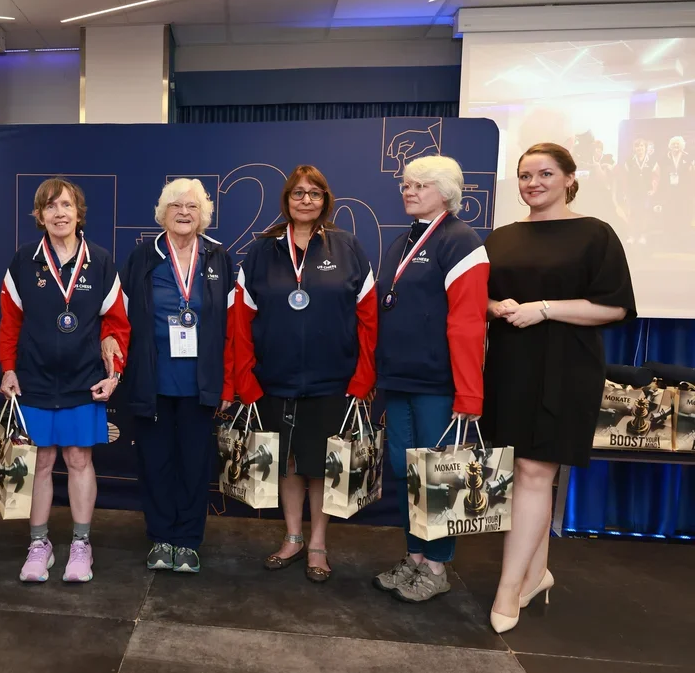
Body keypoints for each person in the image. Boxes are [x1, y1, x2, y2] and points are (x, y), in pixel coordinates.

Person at [482, 143, 636, 633]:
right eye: (526, 175)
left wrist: (544, 308)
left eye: (545, 173)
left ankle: (509, 589)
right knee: (527, 472)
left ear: (569, 178)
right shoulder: (501, 237)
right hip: (510, 363)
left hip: (567, 365)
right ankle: (536, 573)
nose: (534, 183)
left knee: (532, 468)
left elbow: (614, 307)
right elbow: (478, 296)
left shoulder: (595, 234)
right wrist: (495, 307)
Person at [234, 165, 377, 583]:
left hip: (332, 380)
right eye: (298, 193)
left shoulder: (348, 246)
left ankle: (318, 543)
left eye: (314, 193)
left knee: (323, 466)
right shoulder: (262, 250)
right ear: (286, 200)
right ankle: (292, 537)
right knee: (288, 464)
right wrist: (246, 378)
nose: (305, 200)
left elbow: (368, 318)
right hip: (274, 380)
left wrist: (363, 377)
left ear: (325, 200)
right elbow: (241, 320)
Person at [0, 178, 130, 583]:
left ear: (78, 212)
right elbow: (9, 323)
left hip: (84, 379)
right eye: (50, 206)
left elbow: (117, 322)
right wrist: (8, 367)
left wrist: (115, 369)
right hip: (34, 378)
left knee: (78, 459)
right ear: (39, 215)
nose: (59, 212)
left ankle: (80, 545)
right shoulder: (23, 261)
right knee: (41, 462)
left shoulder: (102, 261)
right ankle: (39, 546)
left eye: (66, 205)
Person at [372, 155, 490, 602]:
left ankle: (437, 566)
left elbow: (468, 323)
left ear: (447, 192)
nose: (408, 190)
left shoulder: (461, 242)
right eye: (405, 184)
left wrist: (468, 393)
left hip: (439, 386)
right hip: (399, 381)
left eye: (419, 185)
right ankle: (415, 557)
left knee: (437, 478)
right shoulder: (403, 240)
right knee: (407, 474)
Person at [119, 178, 235, 574]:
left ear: (203, 215)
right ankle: (160, 537)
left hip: (200, 383)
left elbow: (233, 326)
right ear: (162, 213)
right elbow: (121, 319)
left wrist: (229, 382)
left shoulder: (219, 257)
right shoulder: (142, 257)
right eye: (175, 206)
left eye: (192, 207)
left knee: (194, 463)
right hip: (152, 380)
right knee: (155, 462)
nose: (184, 213)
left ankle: (187, 541)